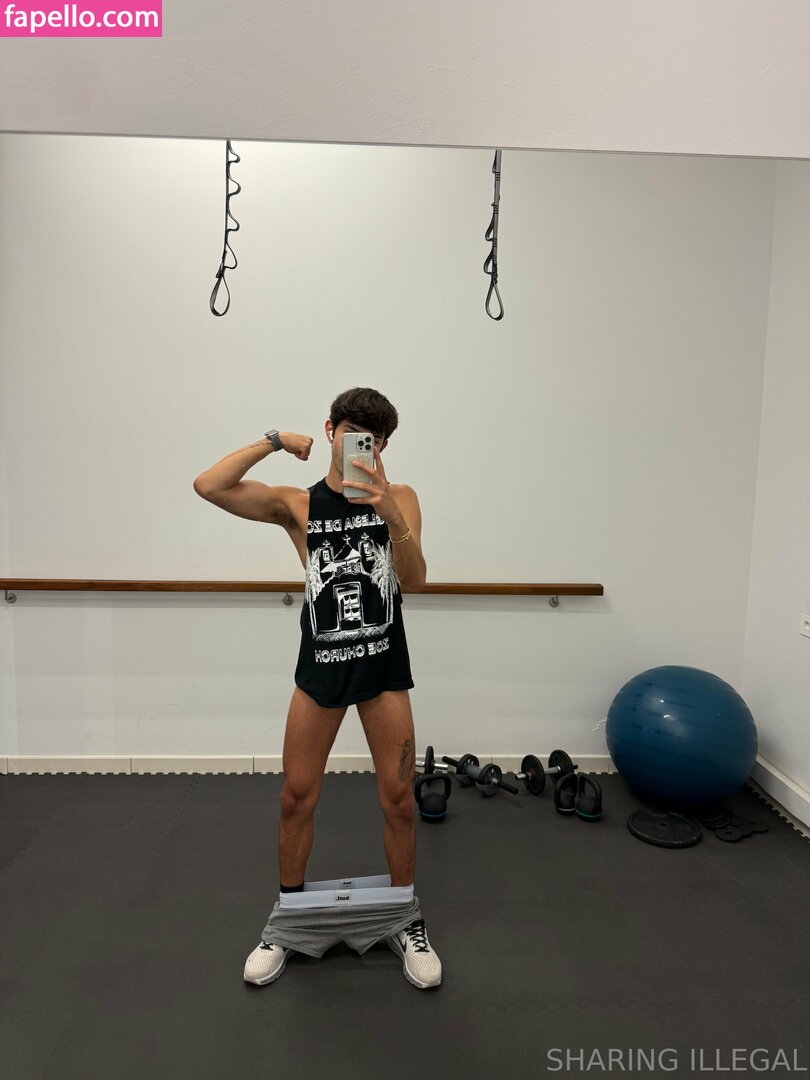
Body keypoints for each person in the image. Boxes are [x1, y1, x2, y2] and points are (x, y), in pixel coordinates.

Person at [193, 387, 442, 989]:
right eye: (352, 434)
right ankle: (286, 922)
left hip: (383, 671)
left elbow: (415, 580)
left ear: (383, 446)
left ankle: (405, 919)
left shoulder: (402, 497)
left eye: (373, 440)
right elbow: (209, 485)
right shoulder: (298, 504)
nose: (362, 447)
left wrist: (388, 512)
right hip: (320, 670)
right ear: (331, 431)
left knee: (399, 800)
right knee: (295, 798)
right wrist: (275, 441)